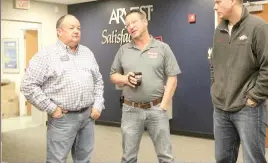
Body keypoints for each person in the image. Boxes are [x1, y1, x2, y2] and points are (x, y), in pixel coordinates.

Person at [211, 0, 268, 163]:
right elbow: (215, 64)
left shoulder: (259, 28)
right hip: (221, 108)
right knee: (222, 159)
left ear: (232, 0)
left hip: (248, 108)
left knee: (253, 159)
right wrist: (216, 87)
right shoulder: (219, 30)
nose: (215, 6)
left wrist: (254, 96)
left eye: (218, 2)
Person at [20, 14, 105, 163]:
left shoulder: (87, 53)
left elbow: (98, 81)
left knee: (84, 159)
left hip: (87, 117)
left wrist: (98, 104)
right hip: (63, 119)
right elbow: (28, 85)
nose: (76, 31)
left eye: (78, 28)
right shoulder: (46, 55)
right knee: (57, 160)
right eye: (71, 28)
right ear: (59, 32)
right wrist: (52, 108)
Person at [110, 9, 181, 163]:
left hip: (157, 109)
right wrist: (125, 78)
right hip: (130, 111)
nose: (130, 27)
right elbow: (113, 75)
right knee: (128, 157)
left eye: (134, 22)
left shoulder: (163, 48)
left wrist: (164, 105)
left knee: (166, 157)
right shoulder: (123, 50)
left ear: (145, 22)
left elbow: (172, 77)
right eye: (127, 25)